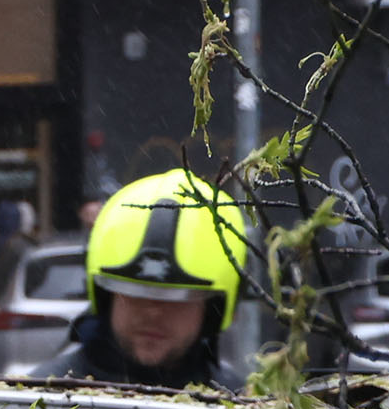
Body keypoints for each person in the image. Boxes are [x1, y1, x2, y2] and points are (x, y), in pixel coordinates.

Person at [47, 168, 257, 392]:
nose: (153, 312)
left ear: (212, 311)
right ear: (106, 297)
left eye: (178, 298)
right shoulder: (39, 403)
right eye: (136, 293)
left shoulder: (243, 408)